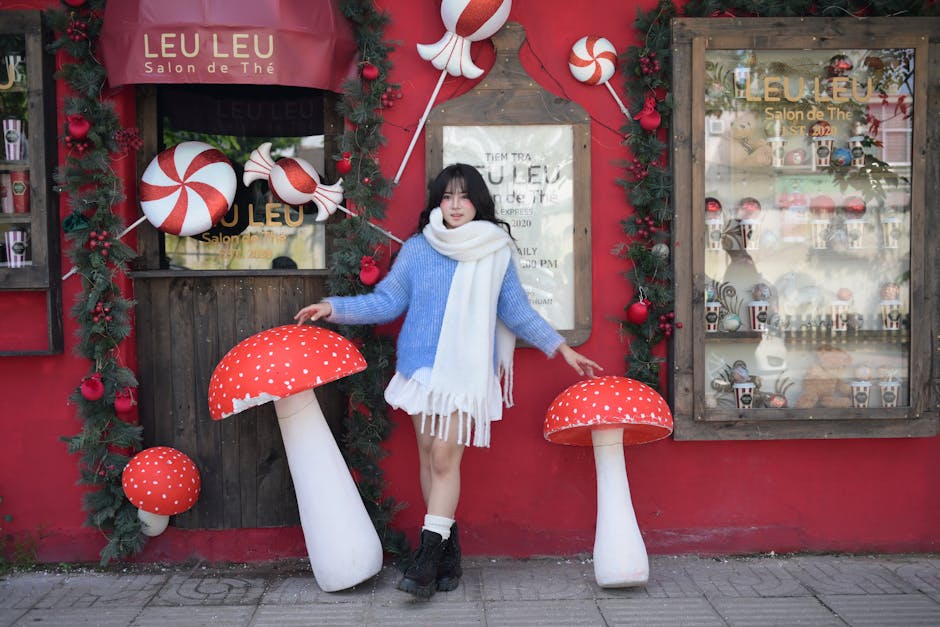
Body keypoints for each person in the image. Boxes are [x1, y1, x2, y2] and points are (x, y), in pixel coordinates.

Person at [294, 163, 601, 599]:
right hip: (422, 371)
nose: (455, 206)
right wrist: (333, 308)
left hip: (466, 374)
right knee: (427, 458)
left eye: (464, 196)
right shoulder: (419, 249)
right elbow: (387, 302)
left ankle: (424, 560)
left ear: (478, 202)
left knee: (442, 459)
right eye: (447, 197)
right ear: (438, 202)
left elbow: (516, 310)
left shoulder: (495, 251)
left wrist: (561, 348)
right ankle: (446, 555)